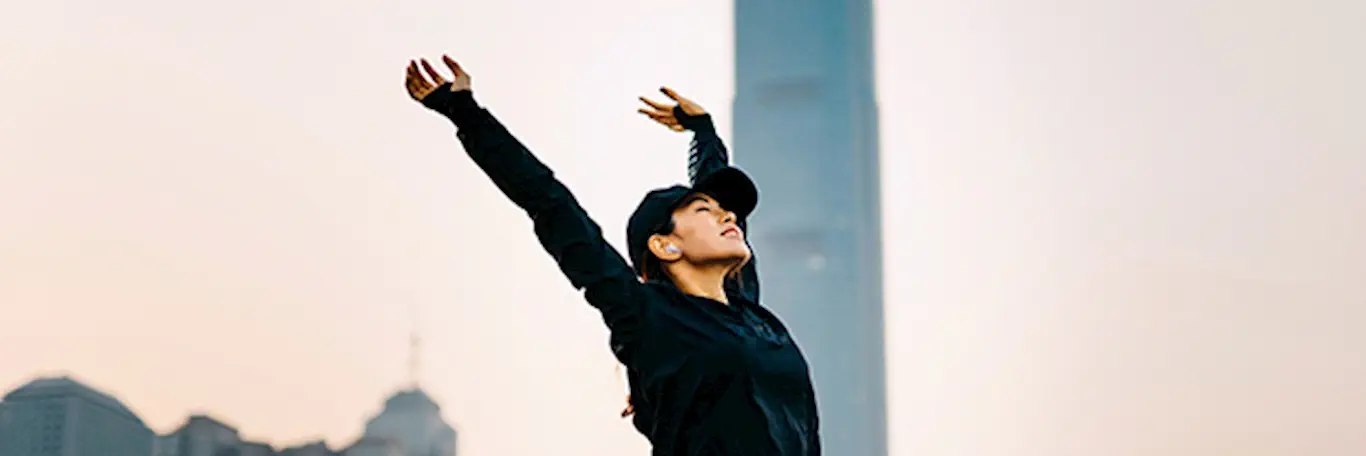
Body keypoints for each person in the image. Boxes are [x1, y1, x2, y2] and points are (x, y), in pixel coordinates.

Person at [403, 55, 820, 456]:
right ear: (665, 245)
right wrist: (465, 113)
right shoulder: (646, 315)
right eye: (703, 211)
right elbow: (549, 203)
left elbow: (721, 197)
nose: (727, 217)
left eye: (725, 212)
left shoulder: (752, 317)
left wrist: (704, 132)